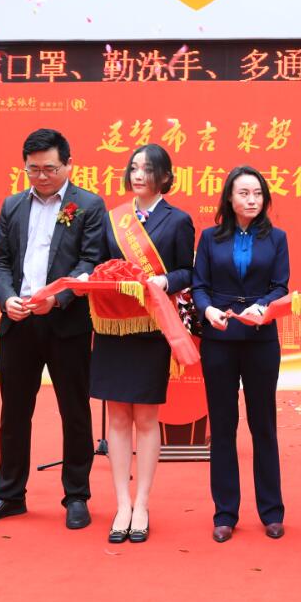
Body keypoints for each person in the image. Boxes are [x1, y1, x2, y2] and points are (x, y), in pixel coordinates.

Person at [0, 129, 106, 530]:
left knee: (74, 411)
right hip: (19, 322)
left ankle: (76, 495)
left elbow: (91, 262)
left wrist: (58, 298)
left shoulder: (88, 205)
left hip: (66, 324)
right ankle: (9, 495)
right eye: (33, 169)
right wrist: (7, 298)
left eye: (50, 169)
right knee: (14, 413)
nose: (42, 177)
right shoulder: (13, 205)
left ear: (68, 165)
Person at [90, 143, 196, 544]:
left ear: (165, 176)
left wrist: (164, 280)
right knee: (117, 417)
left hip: (151, 327)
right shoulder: (113, 218)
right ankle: (122, 503)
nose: (138, 175)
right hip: (113, 328)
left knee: (147, 418)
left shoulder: (178, 220)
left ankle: (143, 503)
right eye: (134, 167)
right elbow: (99, 264)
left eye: (148, 169)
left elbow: (188, 271)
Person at [193, 166, 290, 544]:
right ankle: (225, 513)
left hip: (261, 338)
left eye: (257, 194)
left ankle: (272, 511)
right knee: (223, 426)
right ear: (229, 198)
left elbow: (280, 285)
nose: (251, 200)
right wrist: (207, 310)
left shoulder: (277, 238)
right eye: (244, 193)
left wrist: (262, 306)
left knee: (263, 424)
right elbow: (199, 286)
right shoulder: (209, 237)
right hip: (218, 338)